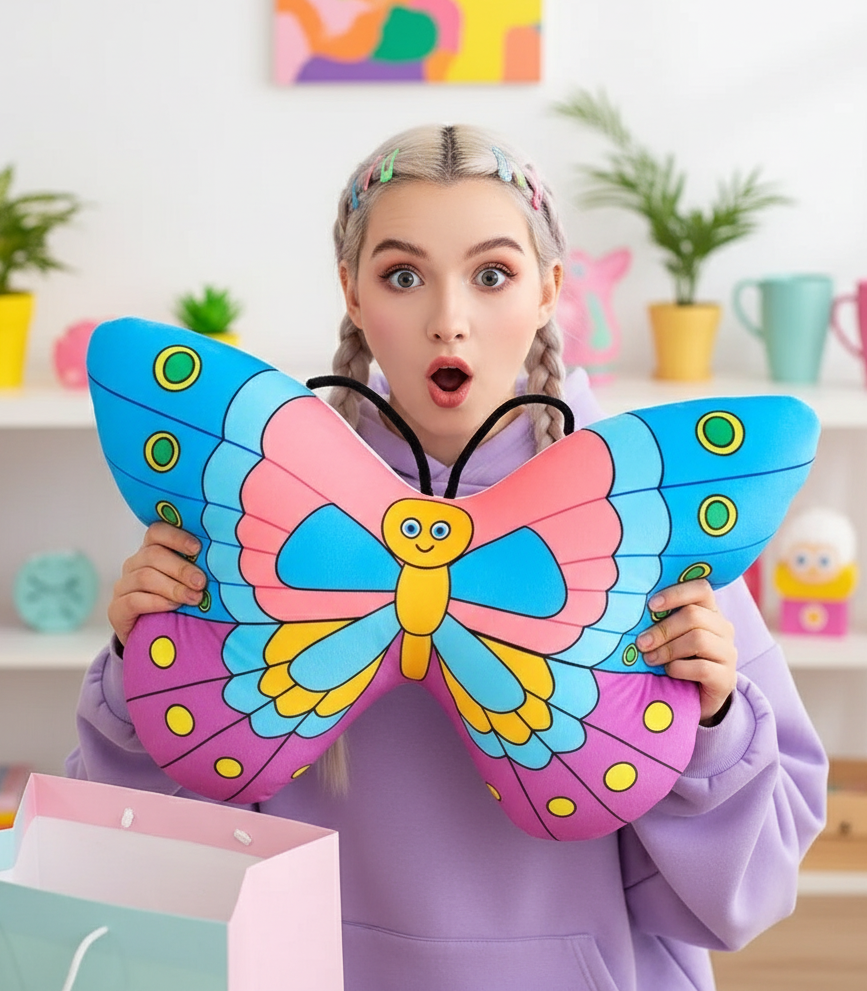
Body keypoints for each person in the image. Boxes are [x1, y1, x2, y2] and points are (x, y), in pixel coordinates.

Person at [67, 124, 827, 991]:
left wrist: (714, 723)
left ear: (547, 292)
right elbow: (123, 859)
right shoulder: (250, 521)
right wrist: (137, 673)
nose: (449, 319)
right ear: (353, 295)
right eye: (403, 275)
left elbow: (753, 895)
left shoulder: (641, 535)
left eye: (492, 275)